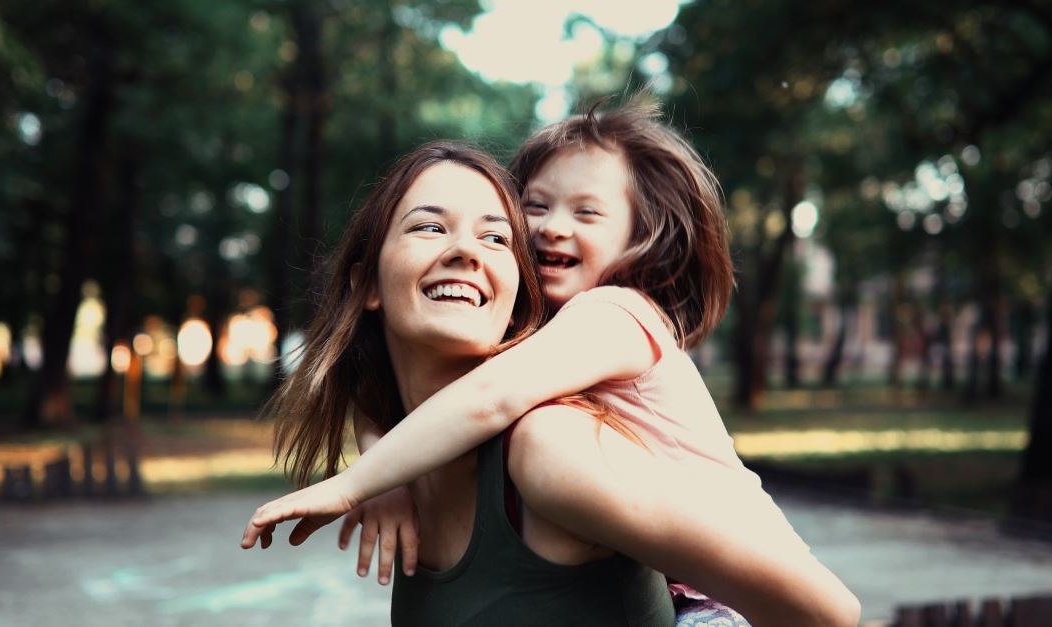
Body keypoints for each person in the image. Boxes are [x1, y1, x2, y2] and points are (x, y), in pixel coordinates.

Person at [243, 119, 860, 625]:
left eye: (496, 236)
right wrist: (383, 468)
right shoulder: (532, 362)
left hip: (714, 610)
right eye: (532, 210)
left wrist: (352, 483)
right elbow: (372, 379)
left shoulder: (611, 317)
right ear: (366, 282)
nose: (549, 227)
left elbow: (488, 399)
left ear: (641, 239)